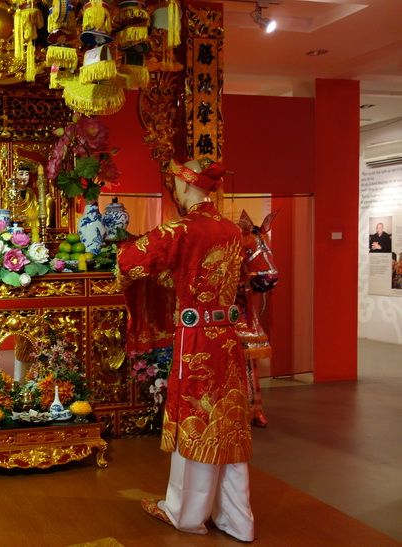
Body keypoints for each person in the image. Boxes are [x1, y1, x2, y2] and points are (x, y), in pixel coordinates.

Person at [117, 158, 255, 543]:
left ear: (184, 185)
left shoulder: (180, 229)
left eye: (175, 185)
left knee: (196, 419)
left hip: (195, 340)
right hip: (227, 338)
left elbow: (130, 261)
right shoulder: (231, 229)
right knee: (227, 420)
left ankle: (185, 512)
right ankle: (237, 519)